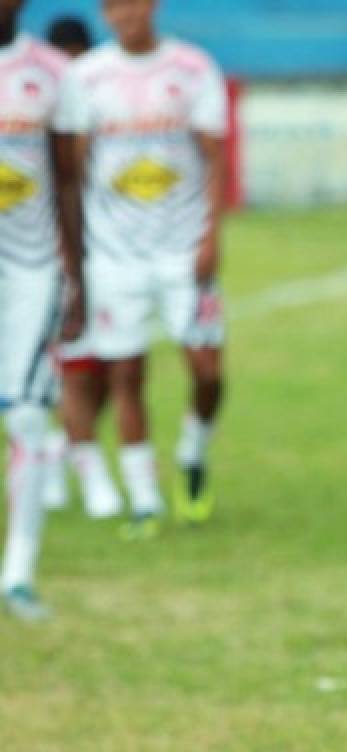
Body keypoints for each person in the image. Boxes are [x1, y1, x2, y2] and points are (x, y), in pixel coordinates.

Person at [56, 0, 228, 538]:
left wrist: (210, 234)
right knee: (125, 373)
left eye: (131, 4)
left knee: (207, 371)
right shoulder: (86, 78)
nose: (122, 14)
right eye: (111, 7)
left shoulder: (192, 69)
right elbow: (71, 168)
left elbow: (215, 157)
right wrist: (75, 252)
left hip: (182, 250)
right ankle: (145, 499)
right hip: (113, 255)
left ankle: (193, 452)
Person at [0, 0, 77, 620]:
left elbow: (70, 178)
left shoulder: (51, 72)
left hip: (32, 273)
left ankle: (18, 574)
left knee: (25, 418)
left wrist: (79, 275)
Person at [39, 12, 124, 519]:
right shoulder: (38, 109)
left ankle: (60, 450)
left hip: (112, 252)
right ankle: (92, 474)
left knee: (114, 366)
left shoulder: (95, 105)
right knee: (70, 366)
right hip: (52, 255)